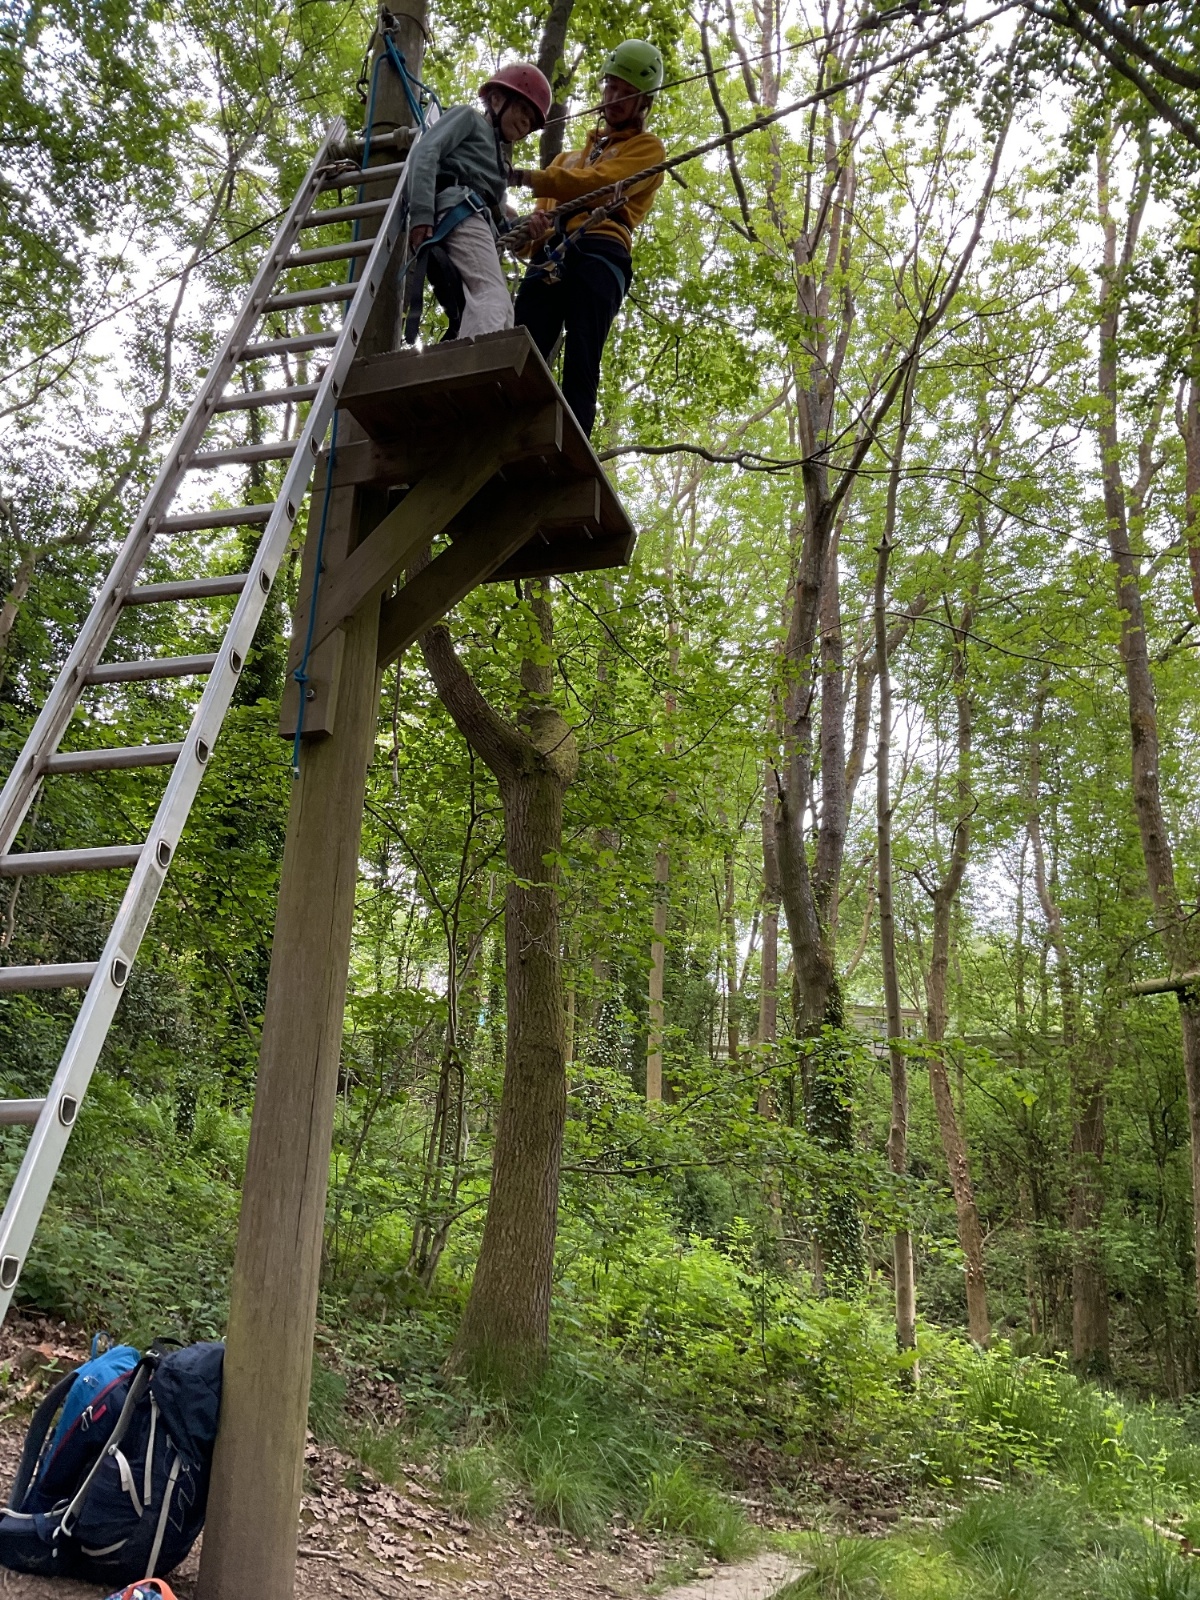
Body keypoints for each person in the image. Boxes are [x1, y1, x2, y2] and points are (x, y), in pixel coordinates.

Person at [508, 40, 665, 438]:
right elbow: (538, 230)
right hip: (551, 255)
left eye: (627, 92)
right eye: (611, 87)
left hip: (600, 250)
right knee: (522, 346)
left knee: (582, 351)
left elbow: (601, 183)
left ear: (643, 103)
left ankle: (571, 441)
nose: (615, 98)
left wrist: (528, 177)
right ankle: (506, 428)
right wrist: (527, 233)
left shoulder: (647, 150)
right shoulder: (565, 160)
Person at [404, 63, 553, 340]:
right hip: (459, 210)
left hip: (476, 221)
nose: (525, 123)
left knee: (503, 311)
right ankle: (475, 364)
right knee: (493, 297)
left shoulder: (500, 167)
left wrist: (525, 227)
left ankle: (469, 357)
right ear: (496, 99)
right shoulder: (469, 118)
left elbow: (500, 226)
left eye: (531, 122)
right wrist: (421, 214)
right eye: (523, 110)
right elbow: (426, 152)